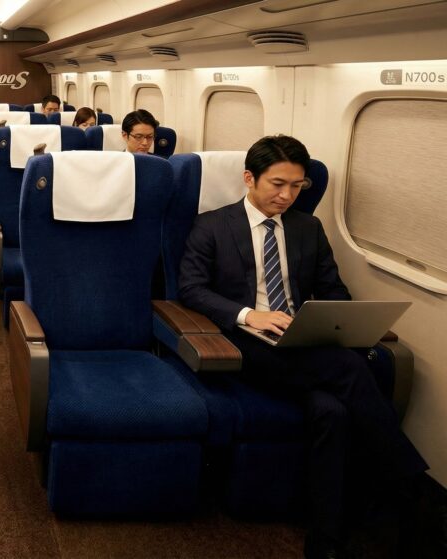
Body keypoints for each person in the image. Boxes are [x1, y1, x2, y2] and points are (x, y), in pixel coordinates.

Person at [178, 135, 427, 559]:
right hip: (247, 343)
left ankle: (325, 539)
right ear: (248, 179)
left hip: (305, 344)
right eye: (277, 184)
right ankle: (414, 493)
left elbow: (332, 289)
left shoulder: (307, 228)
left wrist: (337, 322)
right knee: (349, 370)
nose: (287, 195)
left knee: (330, 411)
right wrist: (247, 315)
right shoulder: (212, 225)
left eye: (297, 186)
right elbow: (192, 288)